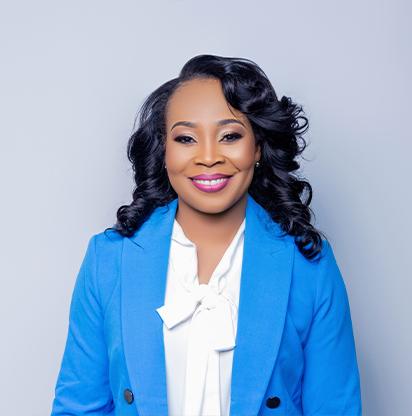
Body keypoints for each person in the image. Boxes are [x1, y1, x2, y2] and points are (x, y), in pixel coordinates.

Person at [51, 55, 361, 416]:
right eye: (186, 138)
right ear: (164, 151)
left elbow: (335, 409)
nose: (208, 157)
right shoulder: (108, 260)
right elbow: (78, 409)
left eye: (230, 136)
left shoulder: (310, 266)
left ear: (258, 147)